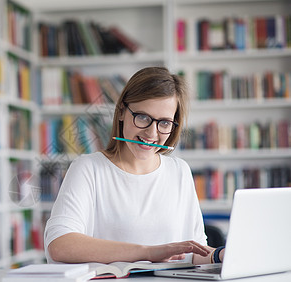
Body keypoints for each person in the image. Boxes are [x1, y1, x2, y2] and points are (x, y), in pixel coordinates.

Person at [44, 67, 225, 265]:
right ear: (121, 112)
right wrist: (147, 252)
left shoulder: (179, 171)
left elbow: (194, 251)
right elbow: (60, 245)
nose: (151, 134)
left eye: (164, 123)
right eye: (143, 118)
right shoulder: (88, 168)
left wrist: (221, 255)